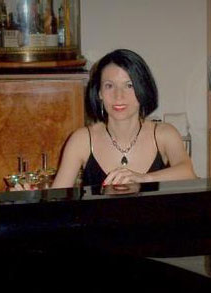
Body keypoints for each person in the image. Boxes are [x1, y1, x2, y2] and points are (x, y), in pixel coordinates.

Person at [50, 49, 196, 190]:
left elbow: (189, 174)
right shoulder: (81, 140)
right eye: (109, 86)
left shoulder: (164, 134)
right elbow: (56, 198)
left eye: (129, 85)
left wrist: (143, 178)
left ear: (143, 89)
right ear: (99, 93)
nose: (118, 96)